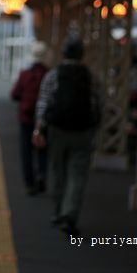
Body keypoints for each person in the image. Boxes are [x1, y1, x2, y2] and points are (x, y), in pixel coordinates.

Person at [33, 34, 102, 236]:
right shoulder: (91, 77)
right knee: (77, 175)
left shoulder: (53, 75)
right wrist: (95, 129)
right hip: (83, 131)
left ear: (63, 53)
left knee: (58, 171)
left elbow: (43, 103)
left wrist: (38, 129)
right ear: (82, 54)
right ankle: (69, 215)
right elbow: (99, 104)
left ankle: (57, 213)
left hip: (58, 130)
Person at [11, 41, 49, 195]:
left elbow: (14, 94)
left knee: (26, 151)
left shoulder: (25, 74)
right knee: (43, 148)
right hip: (44, 120)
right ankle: (41, 174)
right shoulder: (49, 74)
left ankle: (29, 184)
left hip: (26, 118)